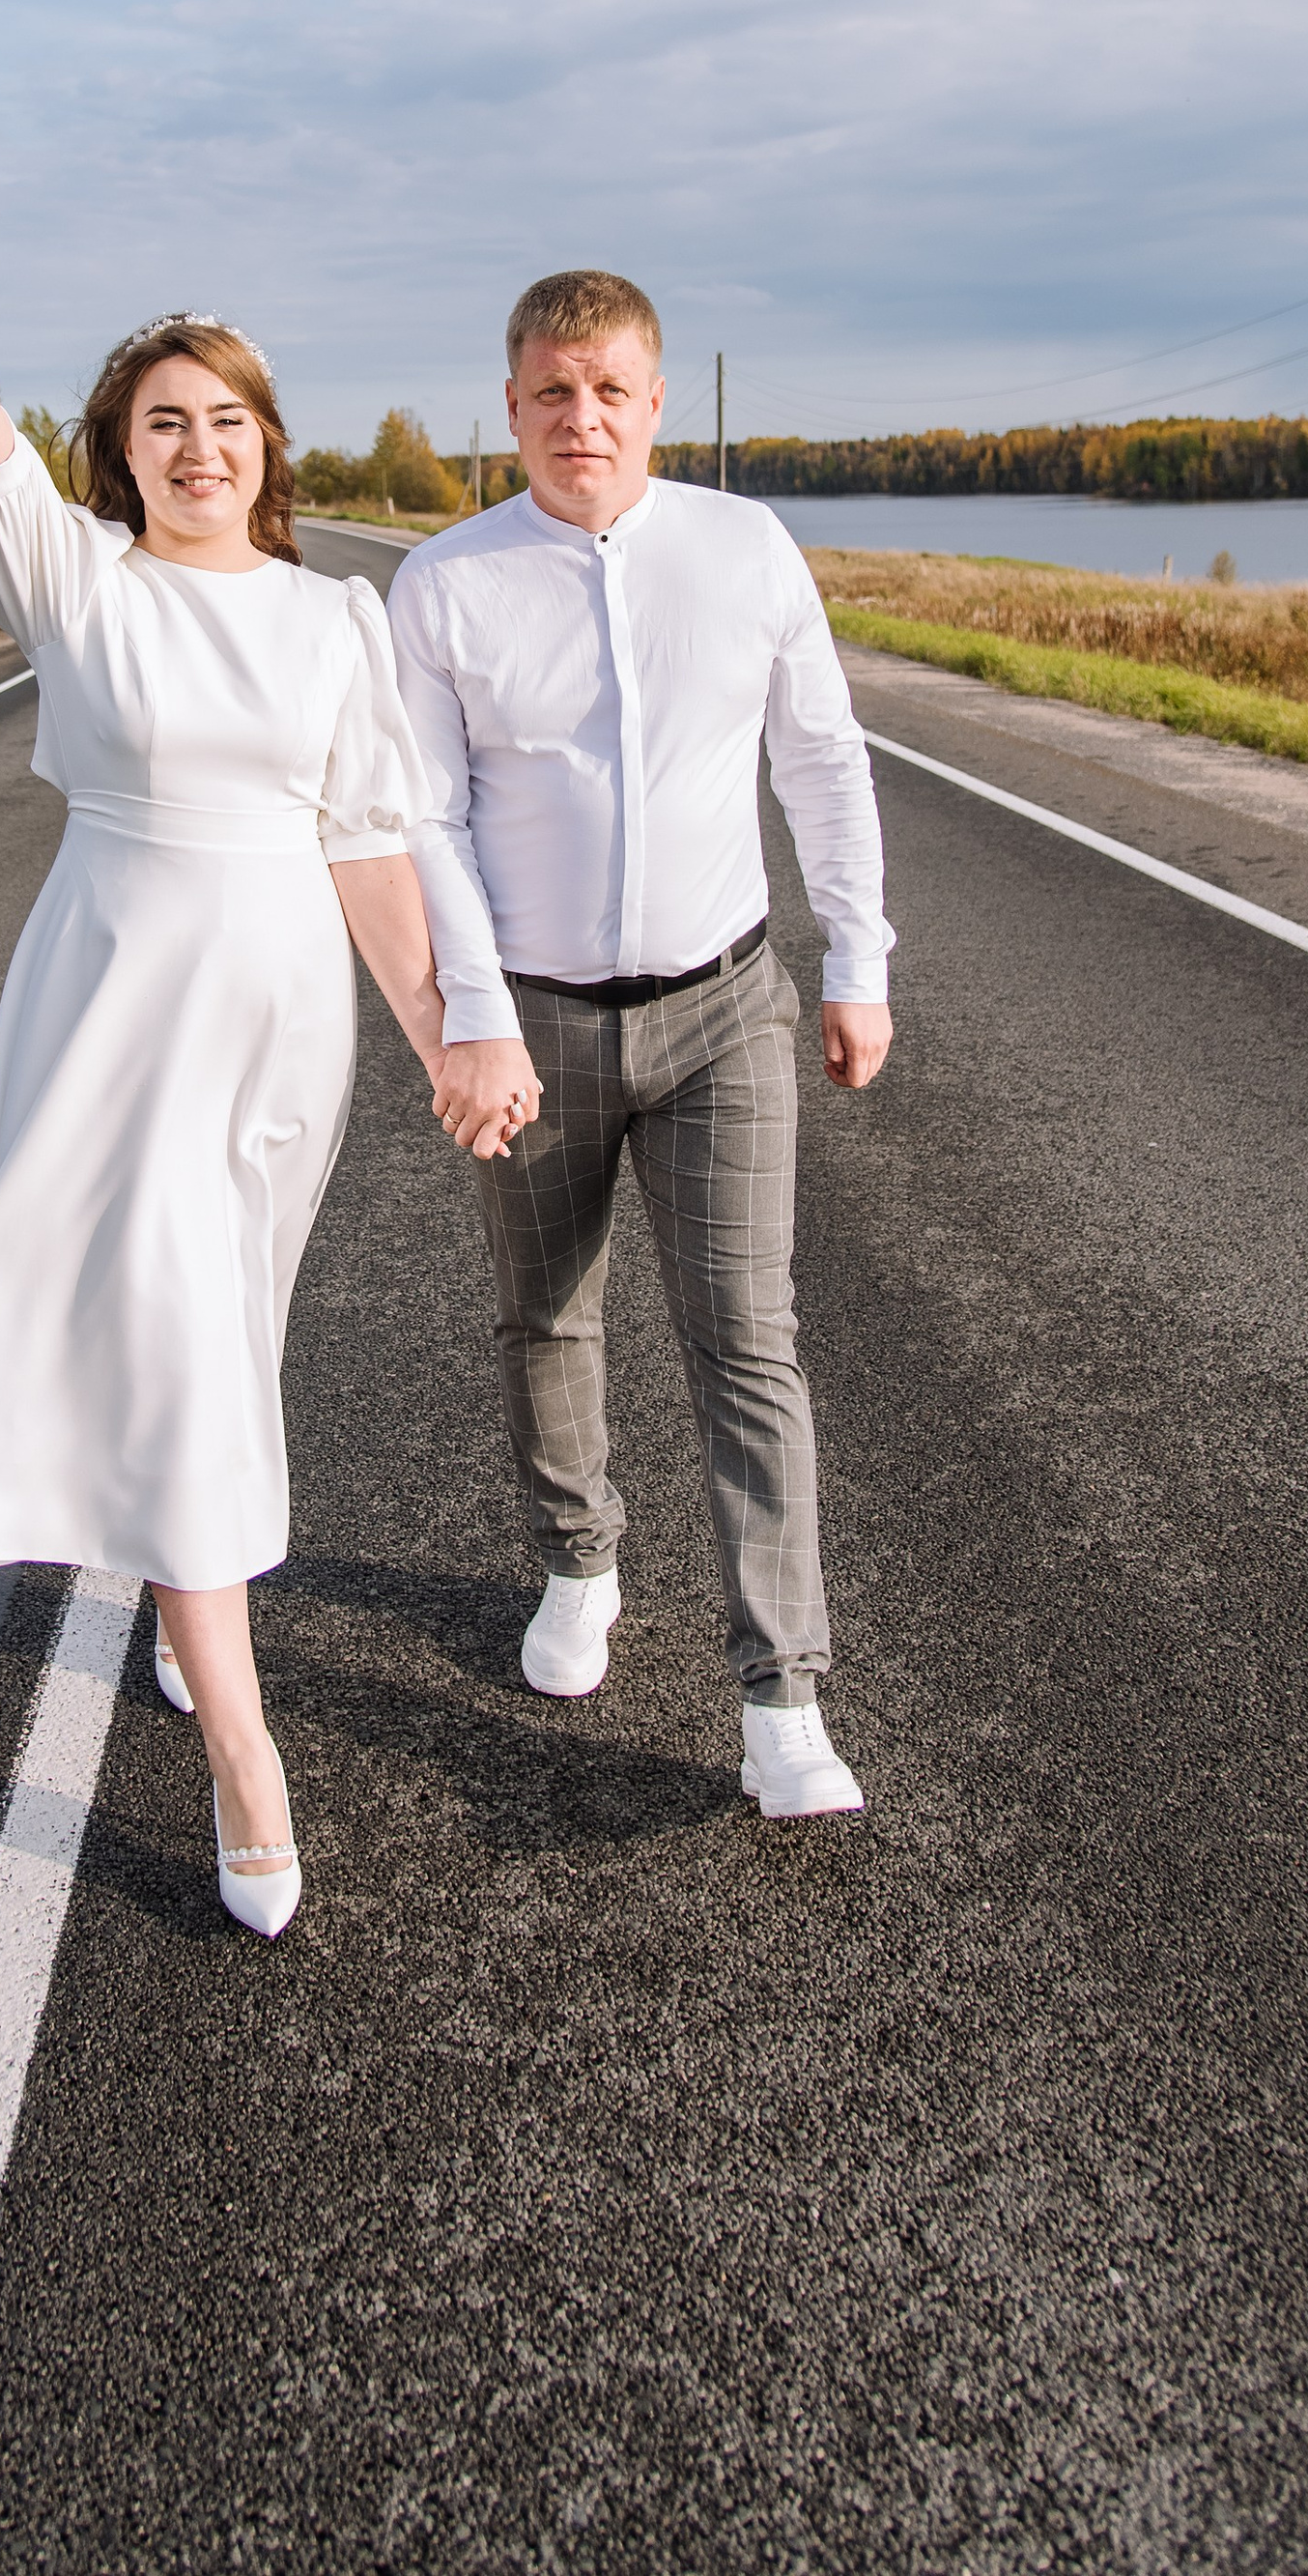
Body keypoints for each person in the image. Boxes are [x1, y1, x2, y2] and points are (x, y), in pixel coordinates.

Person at [0, 60, 514, 1938]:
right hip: (105, 1009)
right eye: (158, 421)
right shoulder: (75, 582)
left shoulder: (330, 622)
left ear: (263, 445)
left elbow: (370, 843)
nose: (195, 446)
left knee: (232, 1332)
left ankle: (165, 1580)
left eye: (223, 420)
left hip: (273, 1029)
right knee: (183, 1350)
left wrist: (453, 1026)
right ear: (115, 449)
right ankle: (241, 1754)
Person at [388, 269, 895, 1820]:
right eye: (552, 390)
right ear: (515, 405)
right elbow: (424, 817)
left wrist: (857, 957)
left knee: (748, 1336)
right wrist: (472, 1014)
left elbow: (818, 753)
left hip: (723, 1007)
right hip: (531, 1026)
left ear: (656, 400)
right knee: (547, 1313)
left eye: (610, 388)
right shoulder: (448, 584)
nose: (581, 416)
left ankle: (782, 1698)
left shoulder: (744, 550)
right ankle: (577, 1558)